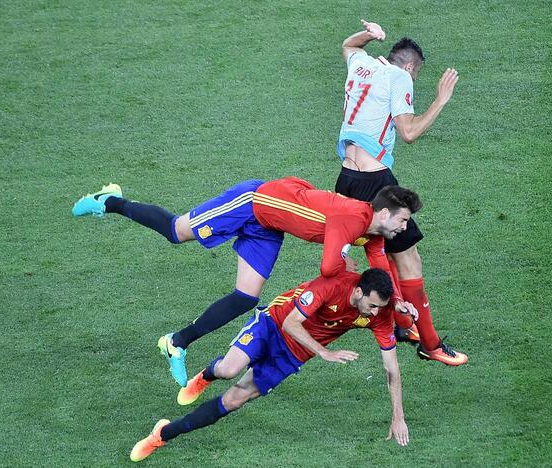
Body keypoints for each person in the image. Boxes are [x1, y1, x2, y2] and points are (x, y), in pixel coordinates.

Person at [72, 177, 420, 386]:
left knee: (245, 297)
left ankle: (176, 342)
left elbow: (379, 273)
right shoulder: (351, 219)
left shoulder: (373, 233)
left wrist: (397, 299)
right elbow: (330, 268)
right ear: (384, 213)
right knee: (176, 232)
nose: (404, 229)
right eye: (403, 221)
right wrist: (345, 255)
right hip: (254, 203)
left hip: (270, 226)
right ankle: (111, 201)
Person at [129, 268, 412, 462]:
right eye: (372, 305)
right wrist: (324, 352)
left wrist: (398, 416)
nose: (375, 313)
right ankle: (206, 376)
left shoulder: (380, 315)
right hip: (274, 323)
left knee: (234, 401)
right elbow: (291, 323)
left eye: (380, 308)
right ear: (359, 291)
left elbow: (392, 368)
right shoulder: (331, 286)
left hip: (292, 356)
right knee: (228, 370)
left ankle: (162, 434)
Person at [336, 19, 467, 366]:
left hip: (345, 180)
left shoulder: (362, 63)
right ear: (409, 66)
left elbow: (350, 45)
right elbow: (408, 131)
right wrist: (440, 100)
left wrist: (370, 35)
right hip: (375, 180)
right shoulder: (400, 77)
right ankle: (431, 344)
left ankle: (400, 323)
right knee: (410, 260)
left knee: (383, 252)